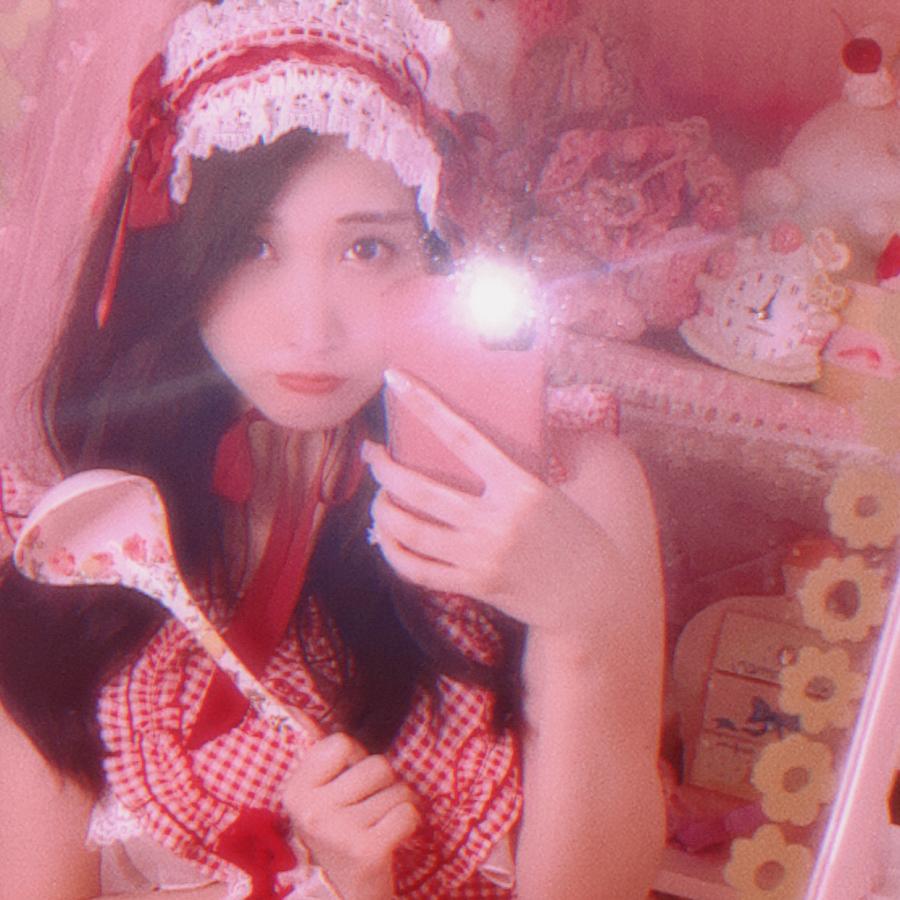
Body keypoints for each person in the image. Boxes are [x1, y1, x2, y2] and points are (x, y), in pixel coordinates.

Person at [0, 1, 665, 897]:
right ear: (178, 259)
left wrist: (581, 623)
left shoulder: (575, 491)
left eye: (367, 248)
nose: (310, 329)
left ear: (437, 251)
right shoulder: (85, 528)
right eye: (252, 247)